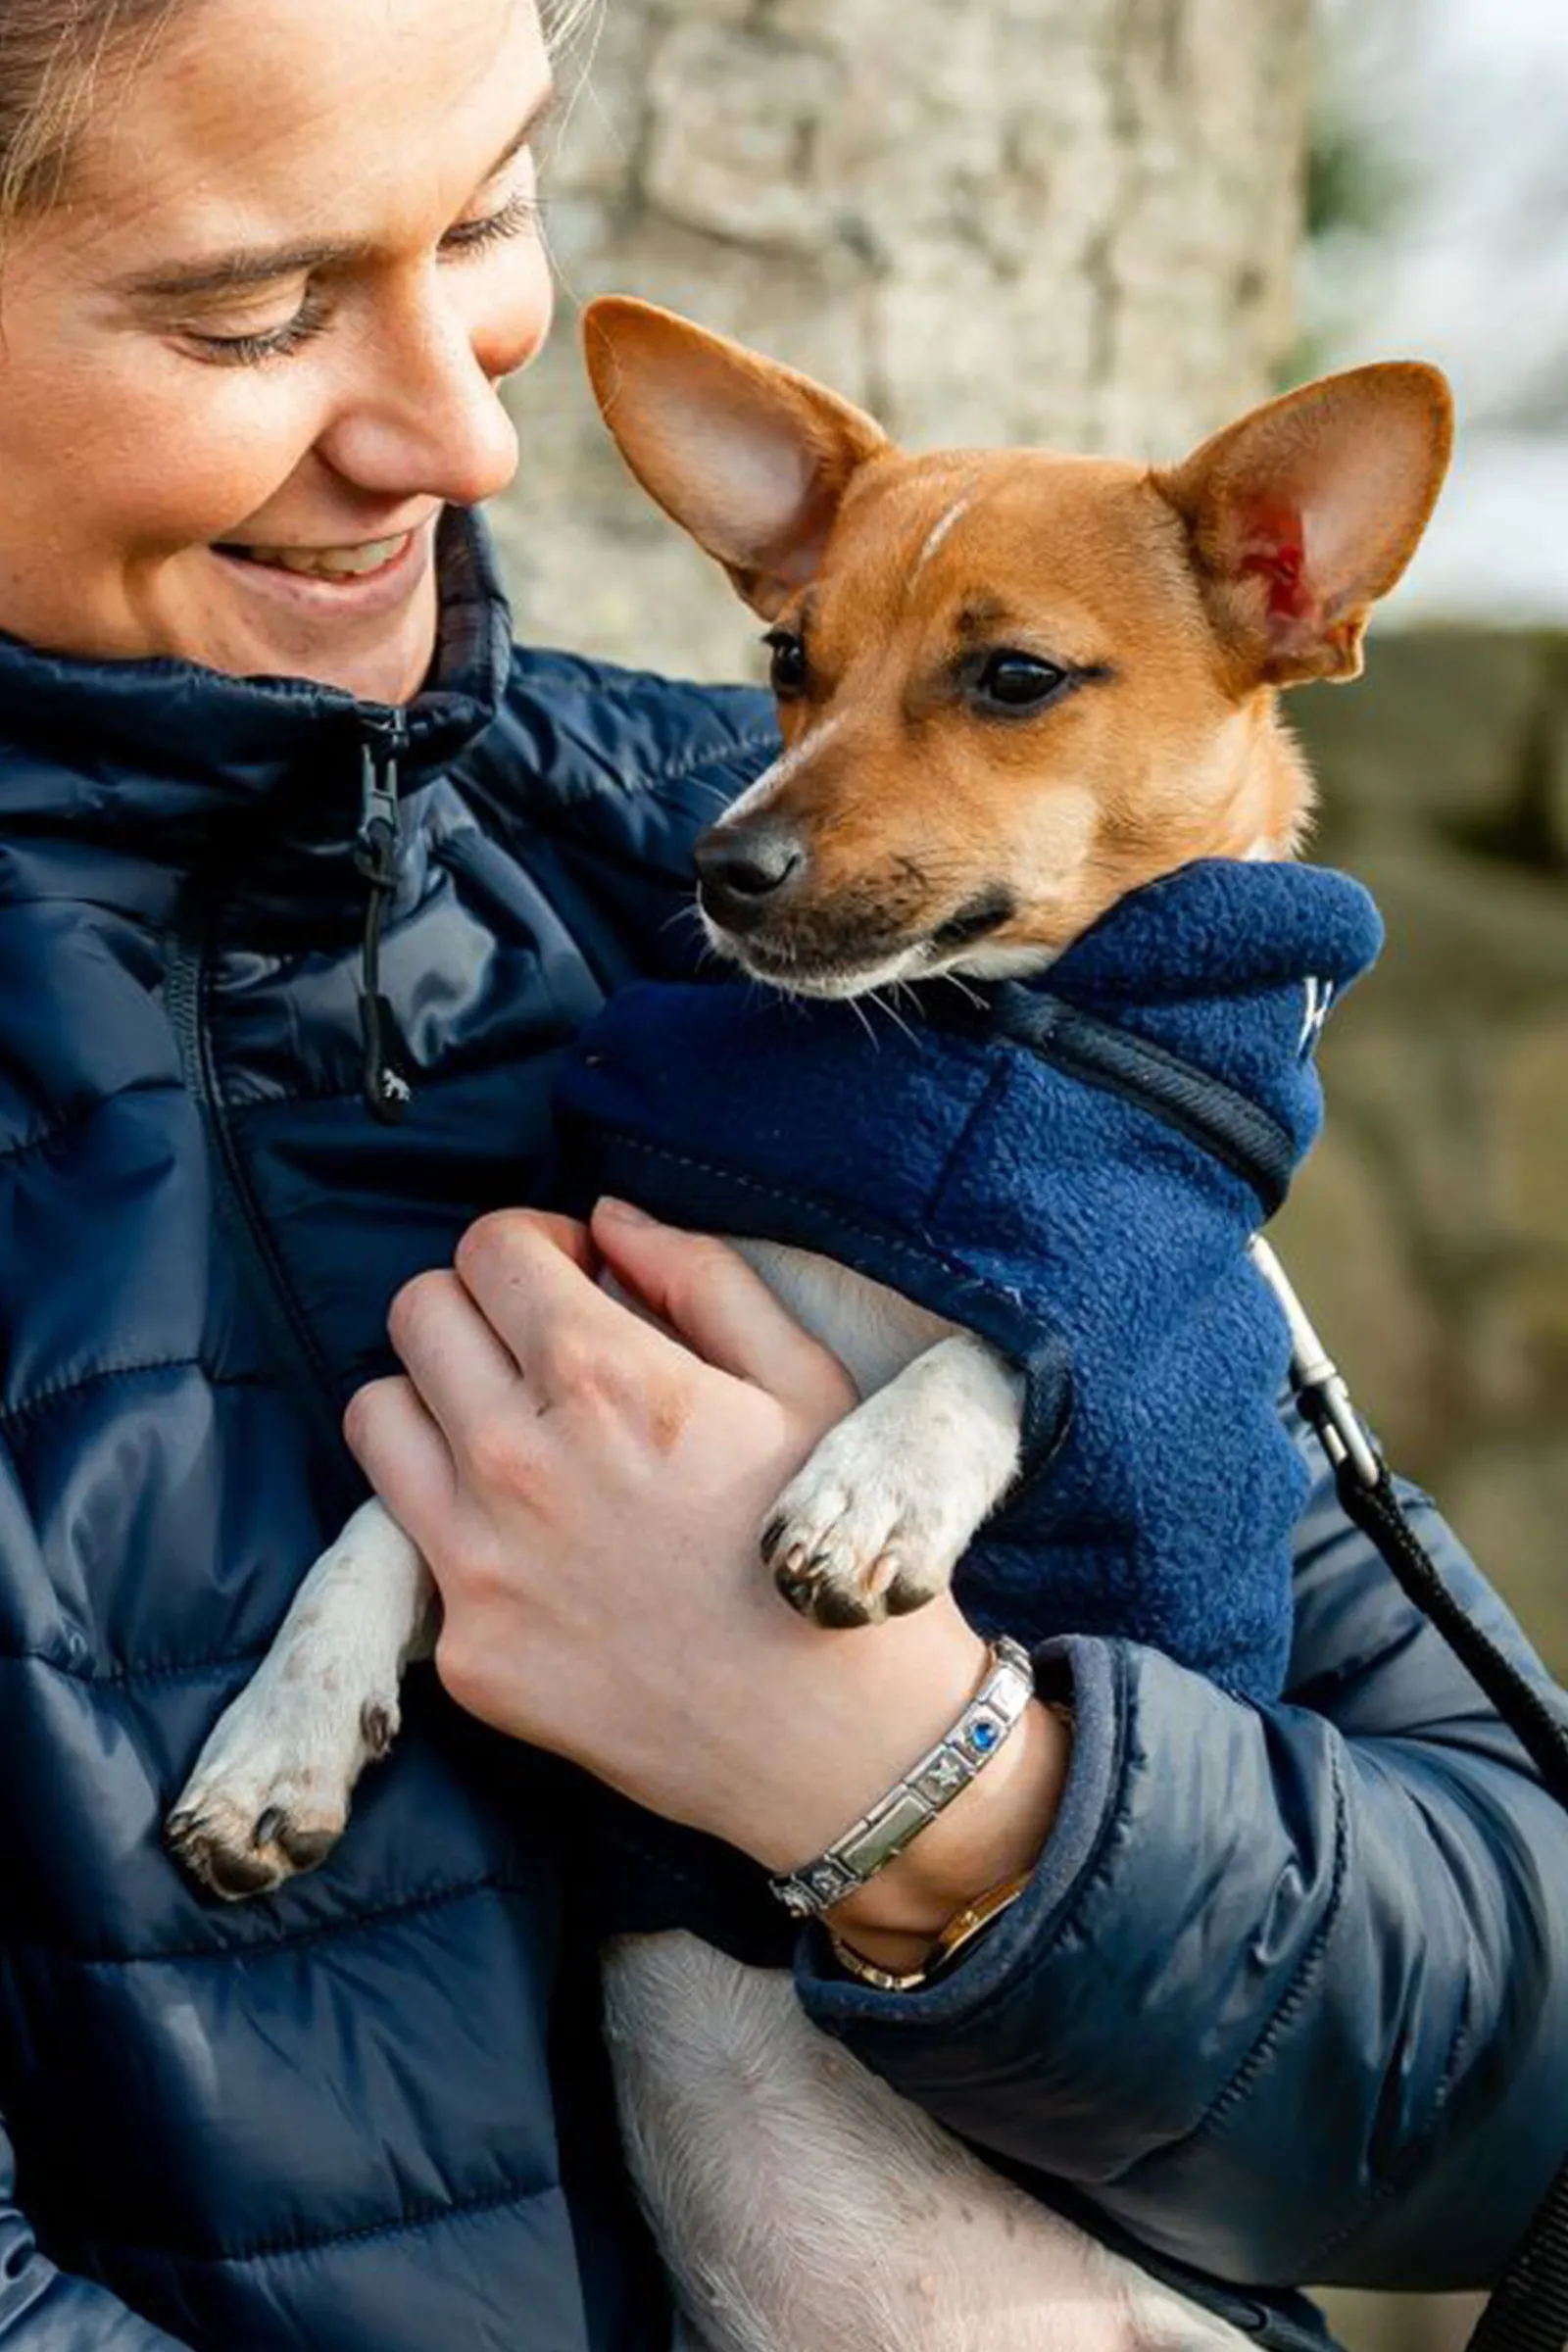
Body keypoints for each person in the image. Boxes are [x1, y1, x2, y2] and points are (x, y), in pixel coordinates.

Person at [0, 0, 1562, 2346]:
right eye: (255, 310)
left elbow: (1517, 2044)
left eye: (492, 221)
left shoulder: (853, 964)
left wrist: (940, 1793)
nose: (469, 431)